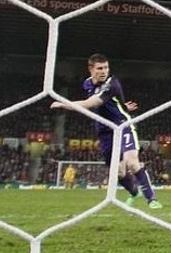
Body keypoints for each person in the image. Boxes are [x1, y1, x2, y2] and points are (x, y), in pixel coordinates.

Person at [50, 53, 162, 209]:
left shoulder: (112, 84)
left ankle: (152, 199)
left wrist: (63, 104)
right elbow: (113, 101)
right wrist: (123, 106)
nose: (104, 71)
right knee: (119, 172)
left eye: (106, 68)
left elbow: (89, 103)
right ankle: (134, 192)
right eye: (100, 68)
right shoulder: (87, 84)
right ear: (91, 69)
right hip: (104, 131)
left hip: (122, 126)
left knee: (132, 162)